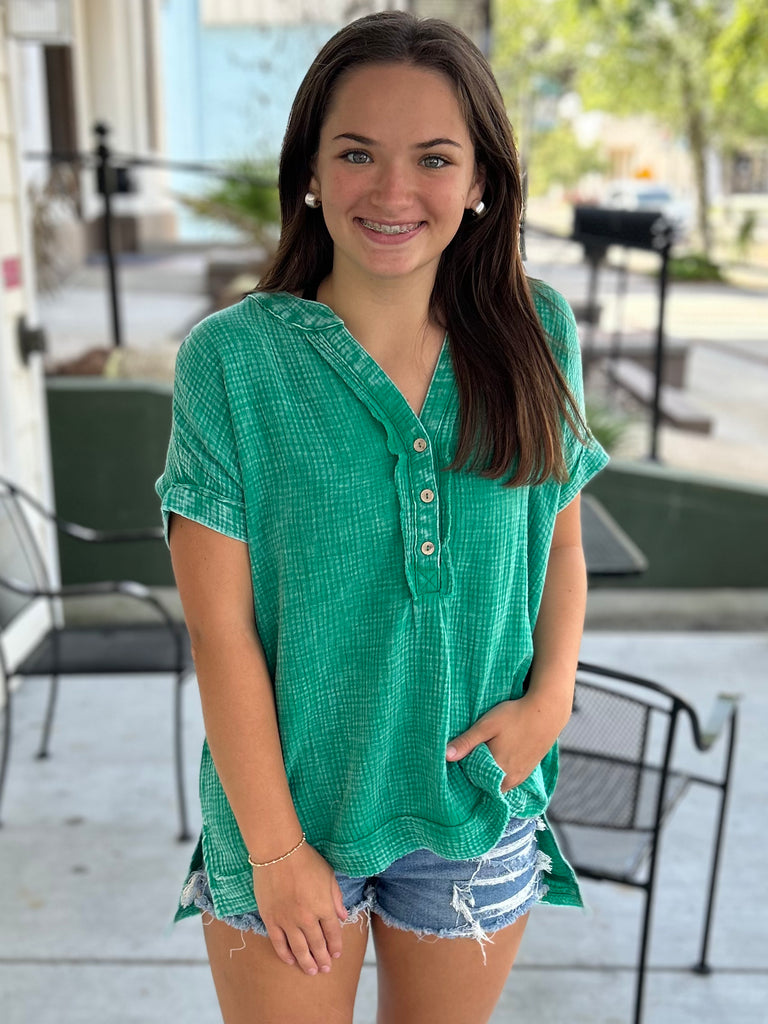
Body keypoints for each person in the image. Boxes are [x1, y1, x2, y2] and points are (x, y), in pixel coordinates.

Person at [156, 10, 608, 1024]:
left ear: (481, 179)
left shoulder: (537, 332)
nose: (394, 192)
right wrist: (275, 850)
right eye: (357, 152)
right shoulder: (232, 362)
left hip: (478, 806)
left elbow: (561, 540)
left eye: (434, 159)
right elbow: (219, 630)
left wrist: (552, 702)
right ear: (311, 172)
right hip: (287, 812)